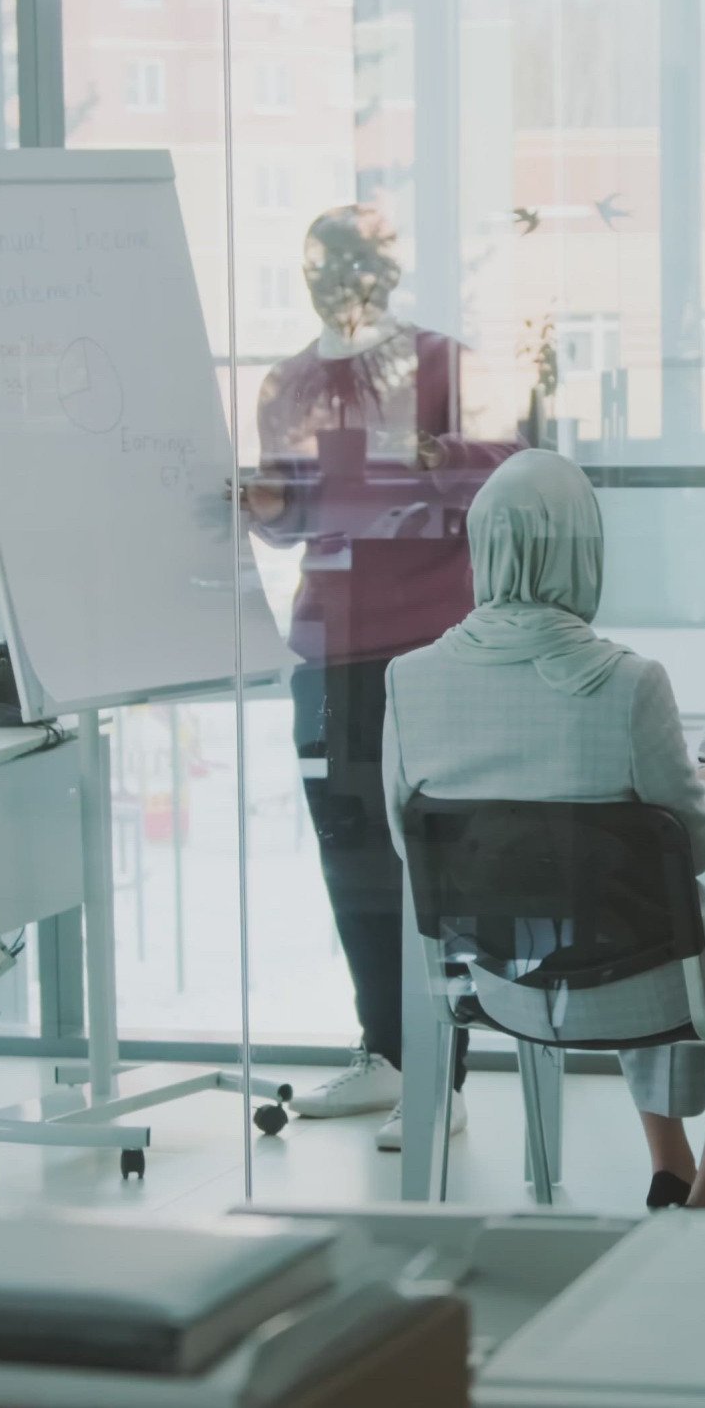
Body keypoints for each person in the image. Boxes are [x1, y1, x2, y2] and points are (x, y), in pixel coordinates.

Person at [381, 451, 705, 1209]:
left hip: (500, 983)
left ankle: (672, 1166)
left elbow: (408, 844)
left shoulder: (410, 677)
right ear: (584, 551)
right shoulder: (627, 681)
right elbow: (695, 842)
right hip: (640, 985)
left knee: (623, 925)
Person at [240, 205, 520, 1144]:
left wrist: (438, 460)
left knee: (436, 860)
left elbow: (506, 478)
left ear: (389, 274)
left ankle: (443, 1075)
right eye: (324, 261)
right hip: (332, 645)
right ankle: (389, 1053)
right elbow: (290, 519)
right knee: (349, 854)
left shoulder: (445, 364)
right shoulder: (287, 382)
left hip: (434, 641)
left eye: (359, 261)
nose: (341, 278)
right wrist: (266, 501)